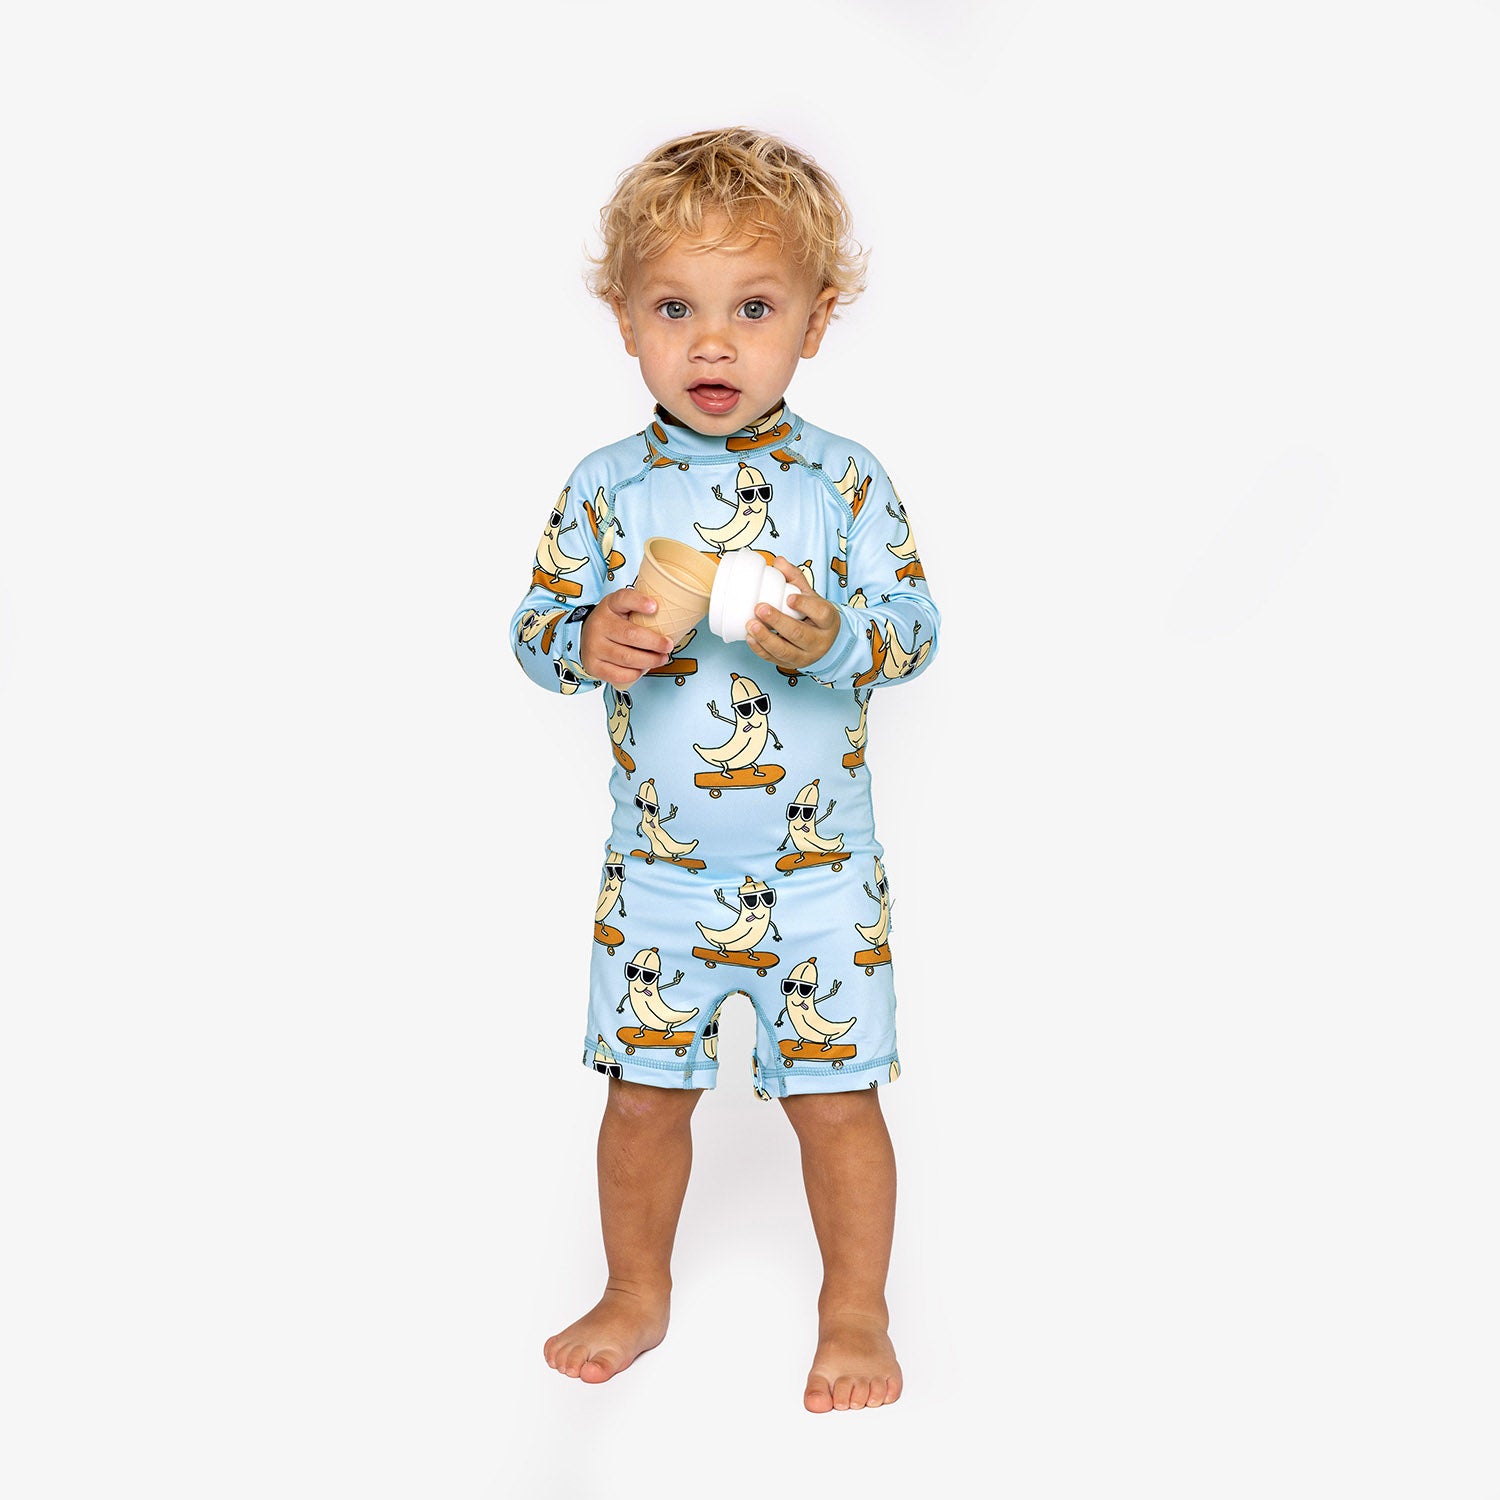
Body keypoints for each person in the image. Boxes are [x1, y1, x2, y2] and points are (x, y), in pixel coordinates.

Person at [510, 127, 940, 1413]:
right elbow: (534, 635)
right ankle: (635, 1289)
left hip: (823, 880)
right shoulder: (605, 490)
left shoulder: (844, 483)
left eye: (753, 308)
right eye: (675, 309)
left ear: (815, 321)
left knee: (838, 1103)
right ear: (624, 321)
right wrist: (586, 638)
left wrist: (837, 639)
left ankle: (854, 1309)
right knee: (643, 1102)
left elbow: (915, 632)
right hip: (657, 875)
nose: (713, 343)